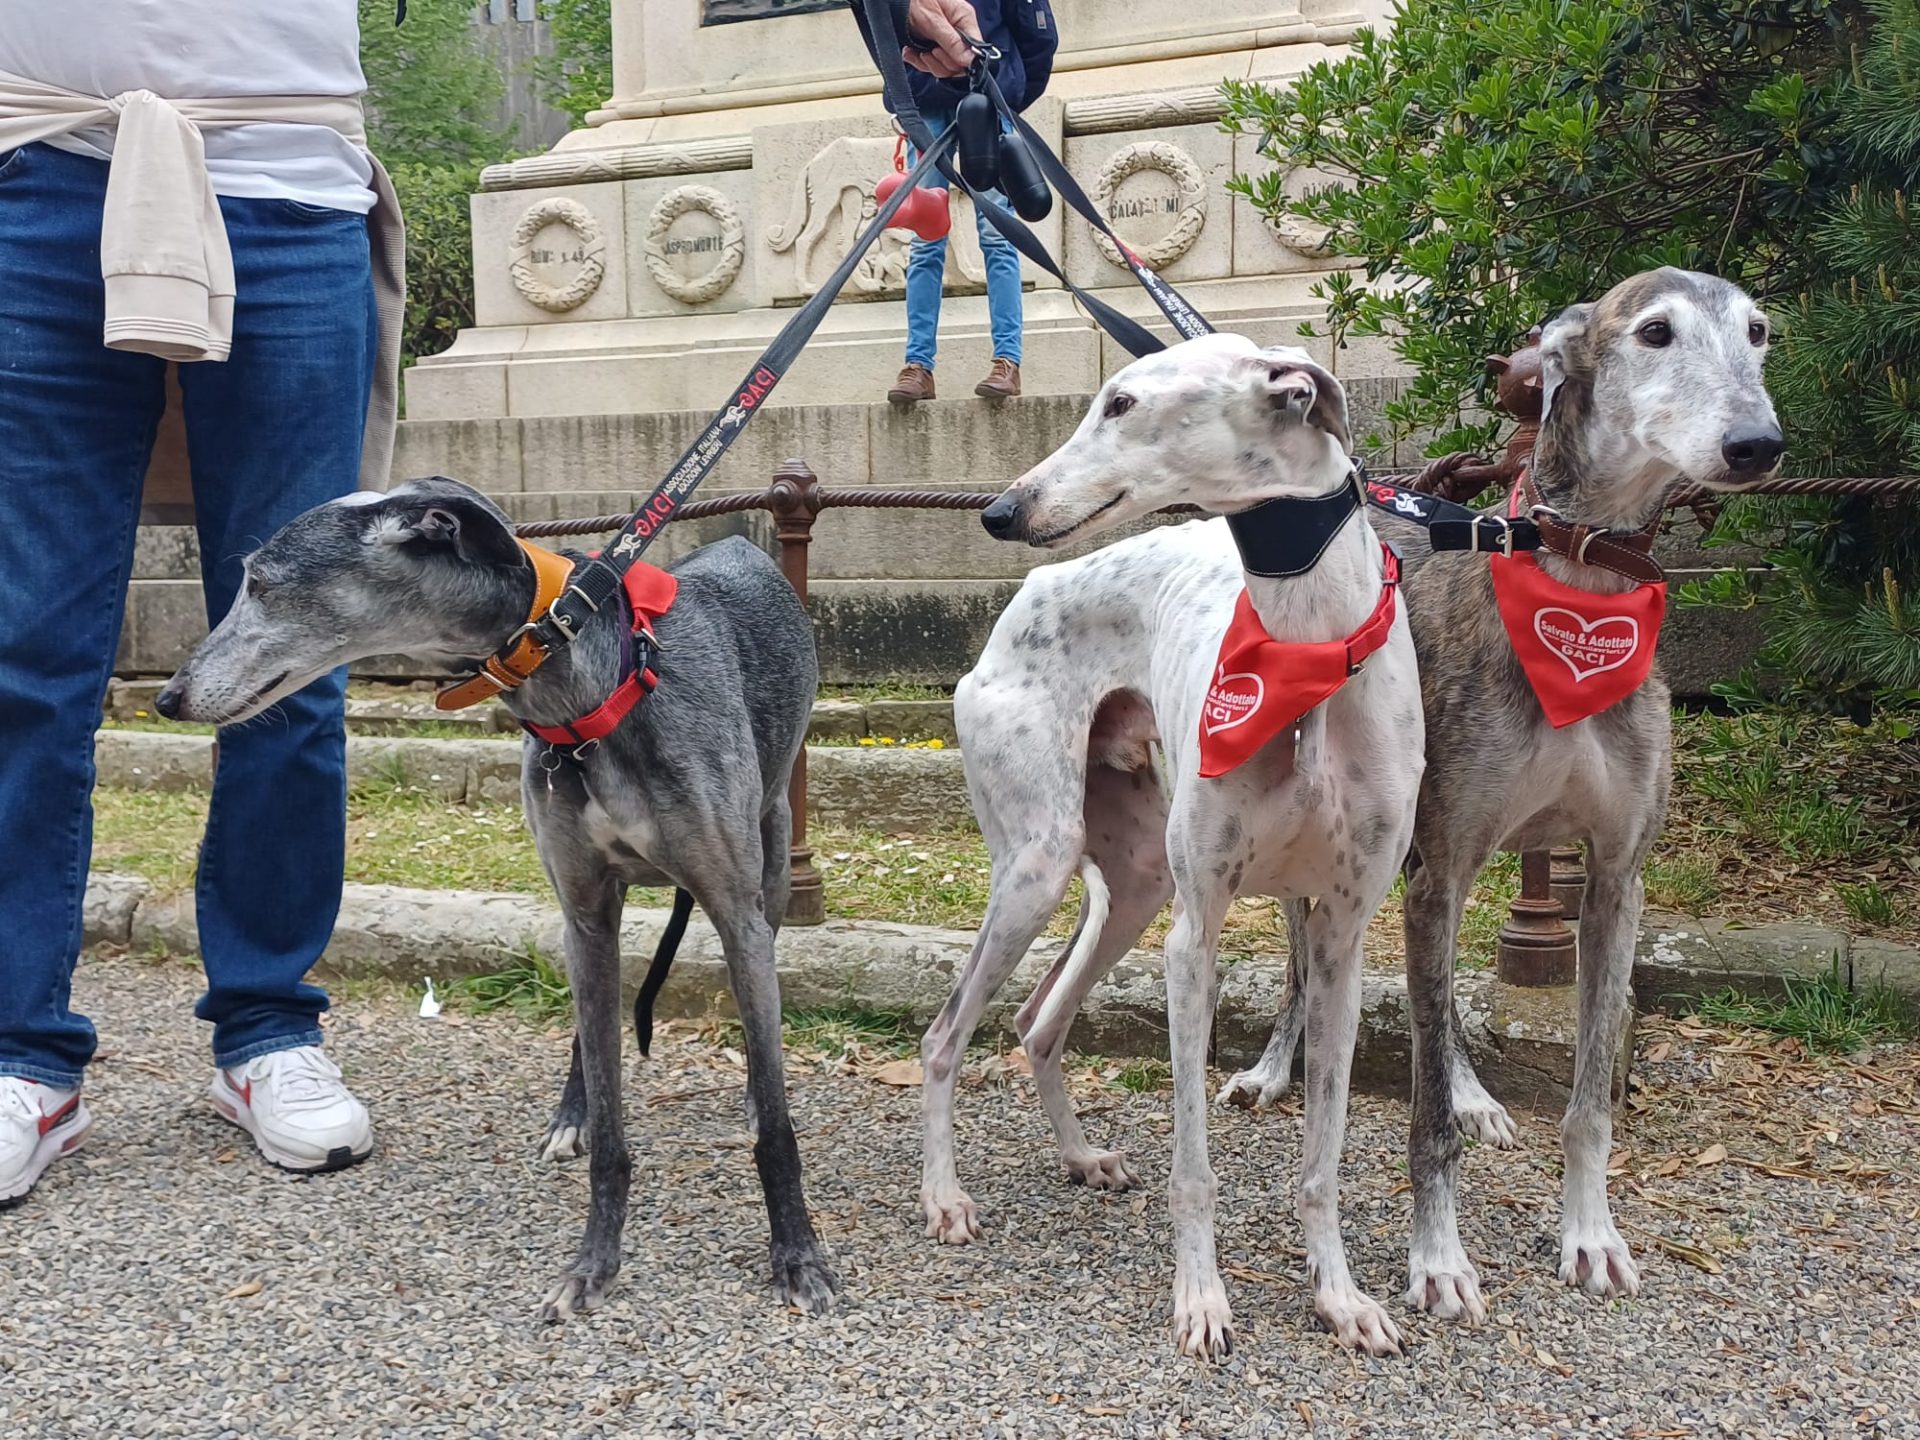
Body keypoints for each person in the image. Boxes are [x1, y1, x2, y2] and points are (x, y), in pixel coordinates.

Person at [0, 1, 406, 1206]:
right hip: (41, 165)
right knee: (24, 656)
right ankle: (21, 1049)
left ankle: (268, 1028)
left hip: (289, 173)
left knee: (295, 659)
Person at [856, 0, 1058, 405]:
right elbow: (885, 26)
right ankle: (918, 366)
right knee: (925, 240)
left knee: (998, 235)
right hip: (926, 104)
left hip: (985, 100)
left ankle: (1007, 361)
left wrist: (1010, 95)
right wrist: (904, 92)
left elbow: (1038, 37)